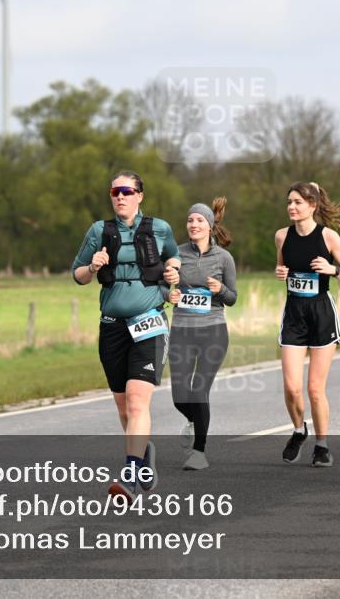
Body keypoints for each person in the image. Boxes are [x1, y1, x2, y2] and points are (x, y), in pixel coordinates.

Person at [72, 171, 181, 502]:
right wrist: (92, 267)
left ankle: (131, 476)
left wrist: (175, 269)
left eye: (126, 191)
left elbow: (173, 255)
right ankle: (143, 455)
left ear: (139, 196)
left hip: (149, 322)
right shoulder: (99, 231)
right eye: (115, 191)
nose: (120, 196)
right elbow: (77, 275)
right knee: (124, 408)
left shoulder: (159, 228)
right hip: (112, 326)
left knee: (137, 400)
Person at [275, 182, 340, 467]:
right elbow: (281, 267)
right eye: (289, 202)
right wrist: (280, 272)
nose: (292, 207)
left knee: (315, 388)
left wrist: (333, 269)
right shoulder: (282, 236)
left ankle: (322, 445)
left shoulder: (329, 237)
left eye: (298, 202)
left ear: (313, 206)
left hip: (321, 313)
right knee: (292, 387)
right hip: (293, 313)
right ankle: (298, 429)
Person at [166, 199, 237, 471]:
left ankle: (199, 451)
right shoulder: (176, 254)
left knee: (198, 390)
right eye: (190, 220)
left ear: (209, 226)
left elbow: (232, 298)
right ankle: (196, 422)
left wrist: (219, 289)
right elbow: (162, 286)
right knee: (179, 396)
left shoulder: (223, 258)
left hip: (213, 331)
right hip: (181, 330)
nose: (193, 224)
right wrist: (169, 294)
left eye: (199, 221)